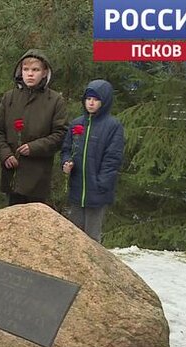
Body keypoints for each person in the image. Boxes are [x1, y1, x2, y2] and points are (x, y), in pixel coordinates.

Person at [0, 49, 67, 205]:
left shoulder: (55, 100)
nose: (30, 74)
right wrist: (6, 154)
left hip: (38, 176)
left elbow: (60, 134)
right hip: (12, 173)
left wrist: (34, 147)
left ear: (45, 73)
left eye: (35, 70)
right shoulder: (9, 97)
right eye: (26, 69)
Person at [61, 79, 124, 242]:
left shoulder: (113, 126)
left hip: (97, 191)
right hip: (77, 188)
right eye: (88, 99)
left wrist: (101, 183)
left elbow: (112, 158)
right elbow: (67, 149)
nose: (91, 103)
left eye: (95, 100)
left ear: (104, 102)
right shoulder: (76, 124)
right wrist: (67, 163)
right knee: (75, 234)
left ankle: (93, 267)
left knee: (92, 237)